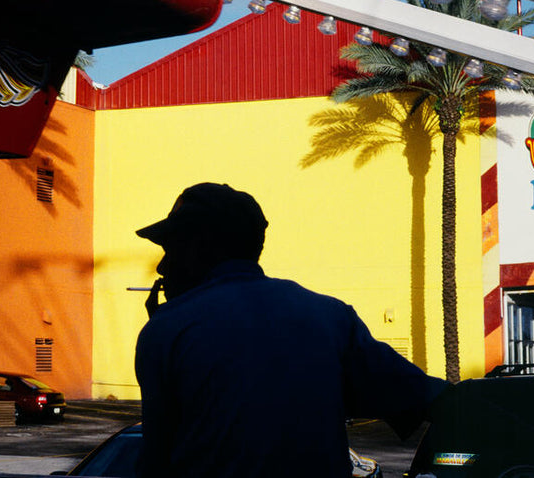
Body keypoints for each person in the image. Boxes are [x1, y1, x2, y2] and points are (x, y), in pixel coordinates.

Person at [133, 182, 449, 478]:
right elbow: (432, 400)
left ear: (197, 247)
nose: (162, 267)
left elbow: (156, 461)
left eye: (170, 249)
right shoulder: (332, 316)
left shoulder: (167, 329)